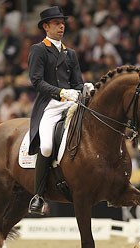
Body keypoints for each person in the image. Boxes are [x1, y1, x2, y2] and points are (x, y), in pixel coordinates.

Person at [27, 6, 94, 215]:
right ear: (46, 27)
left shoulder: (70, 53)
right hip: (50, 104)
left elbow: (76, 82)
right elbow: (36, 81)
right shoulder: (38, 49)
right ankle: (38, 195)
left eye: (63, 23)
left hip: (71, 101)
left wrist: (85, 88)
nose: (61, 26)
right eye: (57, 23)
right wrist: (62, 92)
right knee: (46, 147)